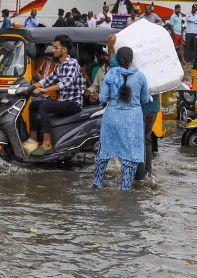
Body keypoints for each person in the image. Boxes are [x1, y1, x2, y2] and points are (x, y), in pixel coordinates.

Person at [93, 46, 149, 190]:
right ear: (132, 60)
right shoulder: (140, 76)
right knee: (130, 154)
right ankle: (125, 188)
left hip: (112, 117)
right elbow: (144, 99)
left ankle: (97, 183)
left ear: (117, 59)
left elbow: (103, 98)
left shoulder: (110, 74)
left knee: (104, 150)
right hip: (132, 119)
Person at [29, 34, 84, 156]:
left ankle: (47, 143)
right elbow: (47, 80)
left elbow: (65, 83)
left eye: (56, 47)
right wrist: (31, 87)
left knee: (44, 106)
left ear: (64, 50)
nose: (53, 50)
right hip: (63, 101)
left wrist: (44, 90)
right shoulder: (59, 66)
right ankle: (33, 140)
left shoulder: (72, 63)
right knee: (33, 105)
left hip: (73, 103)